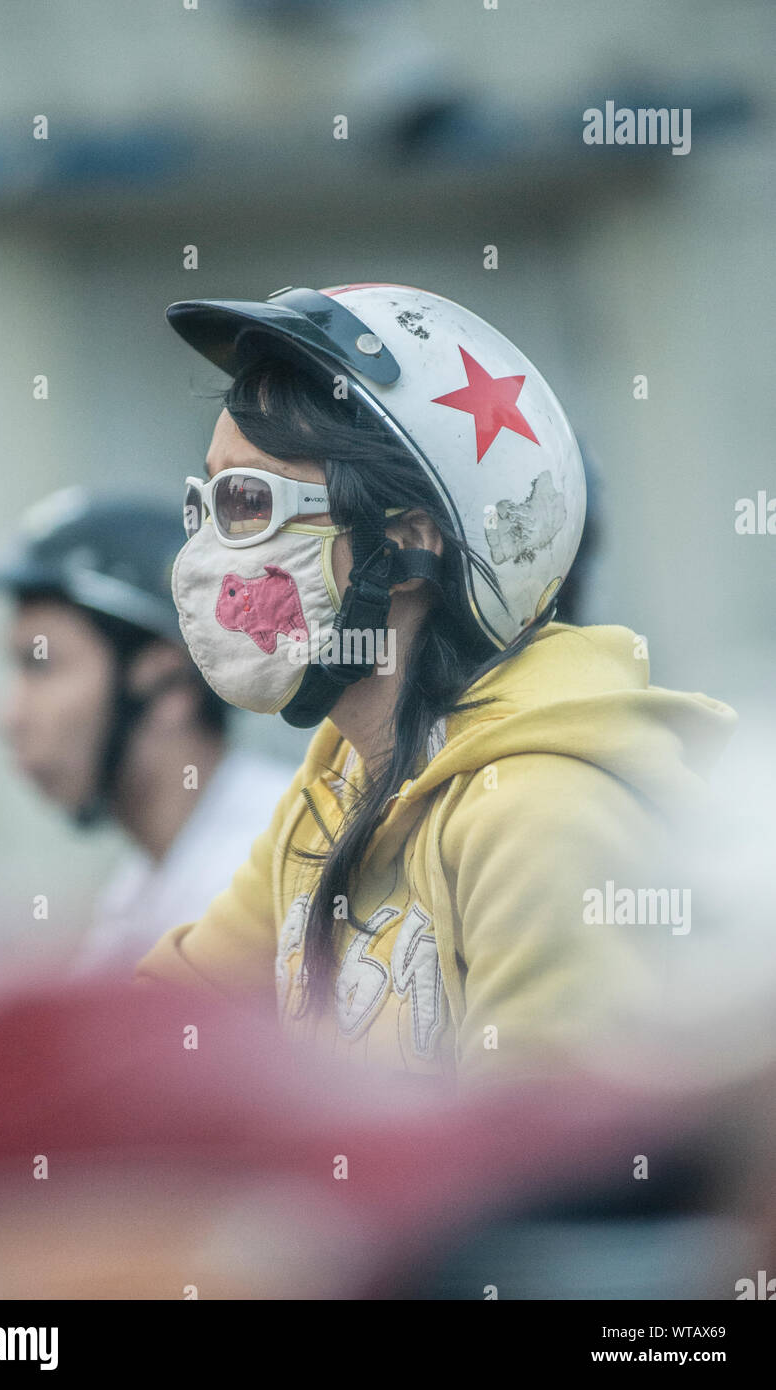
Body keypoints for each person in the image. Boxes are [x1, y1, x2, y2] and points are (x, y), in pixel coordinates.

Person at [137, 282, 737, 1087]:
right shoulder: (341, 775)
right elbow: (146, 1033)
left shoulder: (536, 814)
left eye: (248, 502)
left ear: (409, 541)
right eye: (202, 502)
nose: (212, 549)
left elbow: (546, 1169)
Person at [0, 486, 293, 976]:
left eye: (40, 666)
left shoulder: (280, 866)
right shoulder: (148, 878)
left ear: (168, 683)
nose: (7, 718)